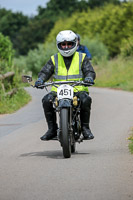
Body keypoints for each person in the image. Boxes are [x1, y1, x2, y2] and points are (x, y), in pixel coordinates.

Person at [35, 30, 96, 141]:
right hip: (58, 89)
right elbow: (45, 72)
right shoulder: (54, 58)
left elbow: (89, 71)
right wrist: (40, 79)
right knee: (46, 100)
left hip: (78, 89)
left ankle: (85, 128)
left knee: (86, 99)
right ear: (59, 45)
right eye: (63, 44)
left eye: (69, 44)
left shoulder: (82, 57)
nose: (66, 47)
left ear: (75, 44)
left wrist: (89, 78)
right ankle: (52, 129)